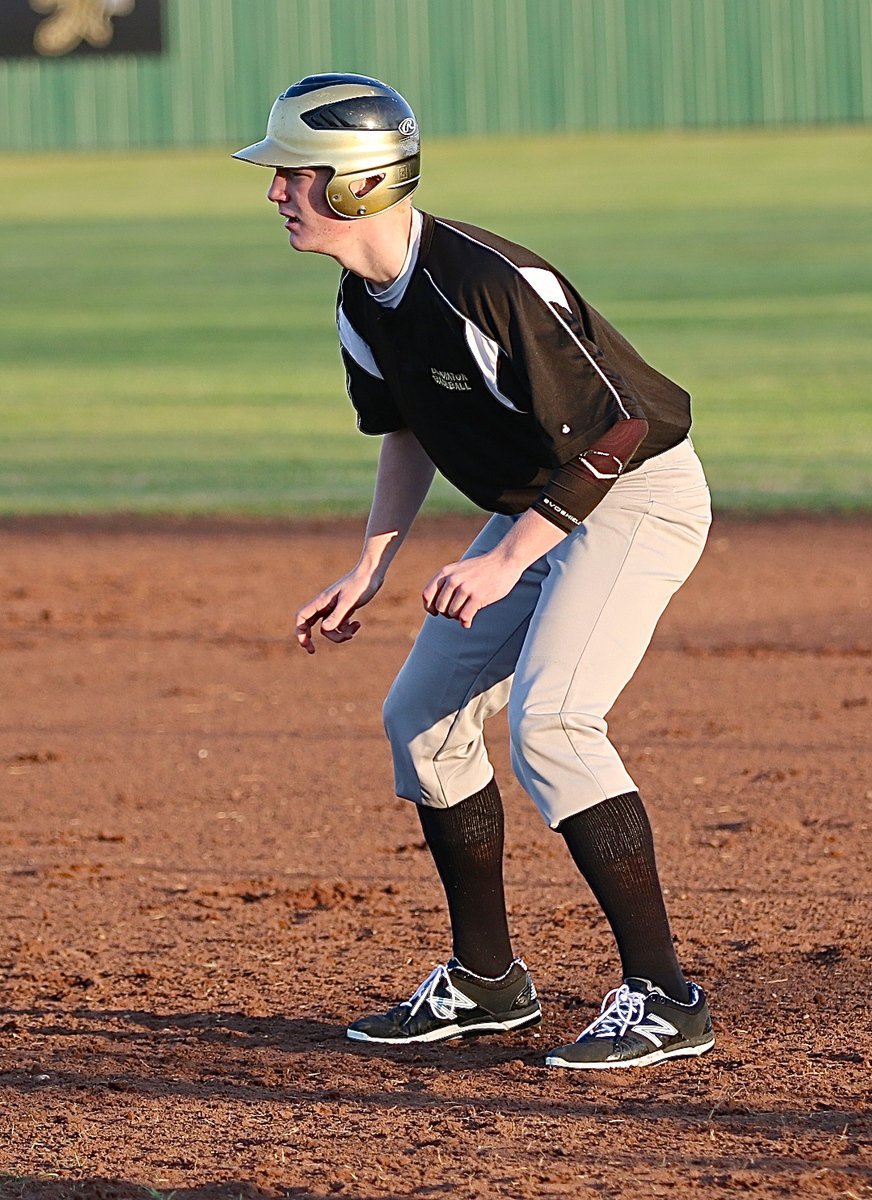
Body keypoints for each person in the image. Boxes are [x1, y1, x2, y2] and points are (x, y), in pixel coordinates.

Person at [234, 74, 715, 1070]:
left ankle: (665, 997)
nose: (276, 192)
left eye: (293, 175)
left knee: (553, 723)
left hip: (631, 498)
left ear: (361, 184)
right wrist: (368, 567)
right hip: (538, 518)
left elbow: (630, 424)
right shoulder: (362, 299)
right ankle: (486, 982)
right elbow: (404, 433)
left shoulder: (488, 282)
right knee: (421, 720)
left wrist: (504, 555)